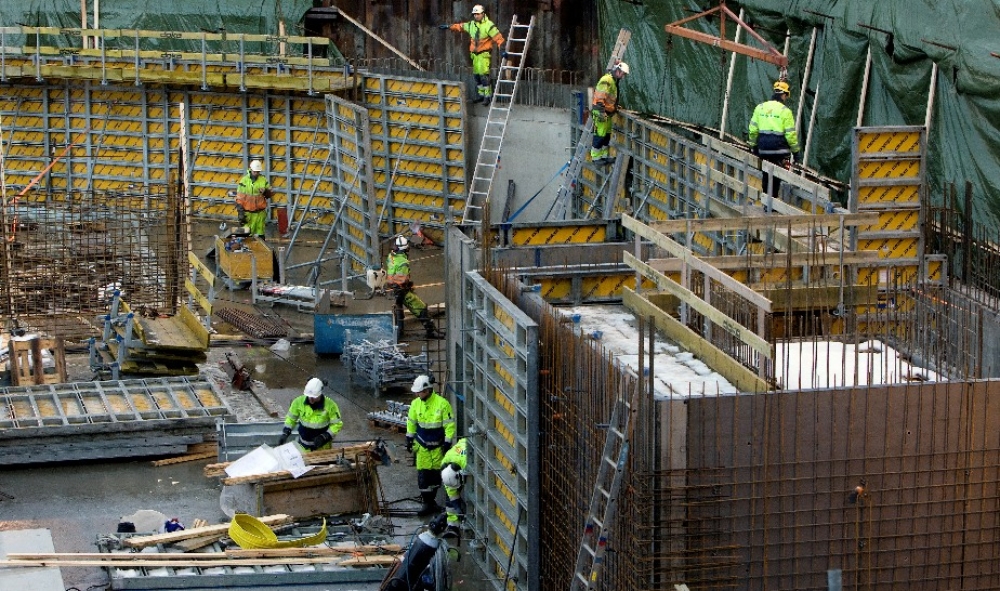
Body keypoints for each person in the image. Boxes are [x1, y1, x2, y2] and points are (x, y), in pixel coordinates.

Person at [406, 374, 456, 516]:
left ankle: (431, 502)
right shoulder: (416, 404)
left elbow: (449, 425)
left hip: (437, 448)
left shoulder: (442, 404)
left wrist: (447, 441)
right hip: (422, 447)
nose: (417, 394)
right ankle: (427, 503)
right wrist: (409, 438)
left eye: (419, 392)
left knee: (435, 478)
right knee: (423, 477)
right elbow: (411, 422)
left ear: (427, 390)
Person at [440, 4, 506, 104]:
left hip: (484, 55)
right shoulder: (471, 24)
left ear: (483, 14)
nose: (476, 16)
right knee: (477, 76)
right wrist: (449, 27)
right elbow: (460, 26)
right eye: (474, 14)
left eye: (478, 14)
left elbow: (499, 39)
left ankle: (487, 97)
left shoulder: (489, 25)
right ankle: (481, 95)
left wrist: (502, 50)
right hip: (475, 55)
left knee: (484, 76)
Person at [748, 80, 800, 197]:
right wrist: (796, 153)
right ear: (784, 95)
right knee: (776, 177)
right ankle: (772, 203)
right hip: (779, 152)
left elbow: (753, 130)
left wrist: (753, 146)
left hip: (763, 150)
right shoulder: (785, 112)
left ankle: (766, 201)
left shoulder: (760, 108)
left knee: (766, 174)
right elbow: (790, 135)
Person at [386, 235, 444, 339]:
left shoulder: (391, 257)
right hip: (401, 291)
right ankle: (431, 332)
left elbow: (391, 277)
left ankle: (400, 331)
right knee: (420, 308)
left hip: (394, 290)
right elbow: (401, 280)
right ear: (406, 249)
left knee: (399, 311)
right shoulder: (403, 263)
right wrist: (406, 282)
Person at [278, 377, 343, 451]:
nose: (311, 399)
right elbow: (291, 418)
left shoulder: (330, 405)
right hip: (304, 446)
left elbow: (337, 424)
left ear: (320, 393)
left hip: (323, 447)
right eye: (309, 396)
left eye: (314, 397)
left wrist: (325, 436)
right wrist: (286, 432)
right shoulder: (298, 402)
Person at [590, 61, 629, 165]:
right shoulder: (607, 80)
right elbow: (599, 98)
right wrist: (601, 112)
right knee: (600, 134)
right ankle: (596, 158)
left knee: (606, 135)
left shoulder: (612, 80)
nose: (623, 76)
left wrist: (614, 107)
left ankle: (603, 156)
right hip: (601, 112)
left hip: (607, 112)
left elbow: (609, 98)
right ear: (618, 70)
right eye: (623, 74)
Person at [235, 159, 273, 239]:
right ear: (251, 169)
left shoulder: (263, 180)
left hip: (259, 214)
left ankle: (260, 251)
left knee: (260, 236)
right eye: (255, 171)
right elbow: (239, 198)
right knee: (245, 236)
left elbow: (270, 194)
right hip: (248, 214)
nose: (256, 173)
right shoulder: (244, 181)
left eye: (258, 172)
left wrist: (265, 191)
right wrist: (240, 213)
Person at [440, 437, 468, 538]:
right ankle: (453, 526)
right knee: (450, 500)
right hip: (460, 451)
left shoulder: (467, 463)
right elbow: (451, 492)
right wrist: (456, 506)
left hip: (469, 445)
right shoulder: (445, 468)